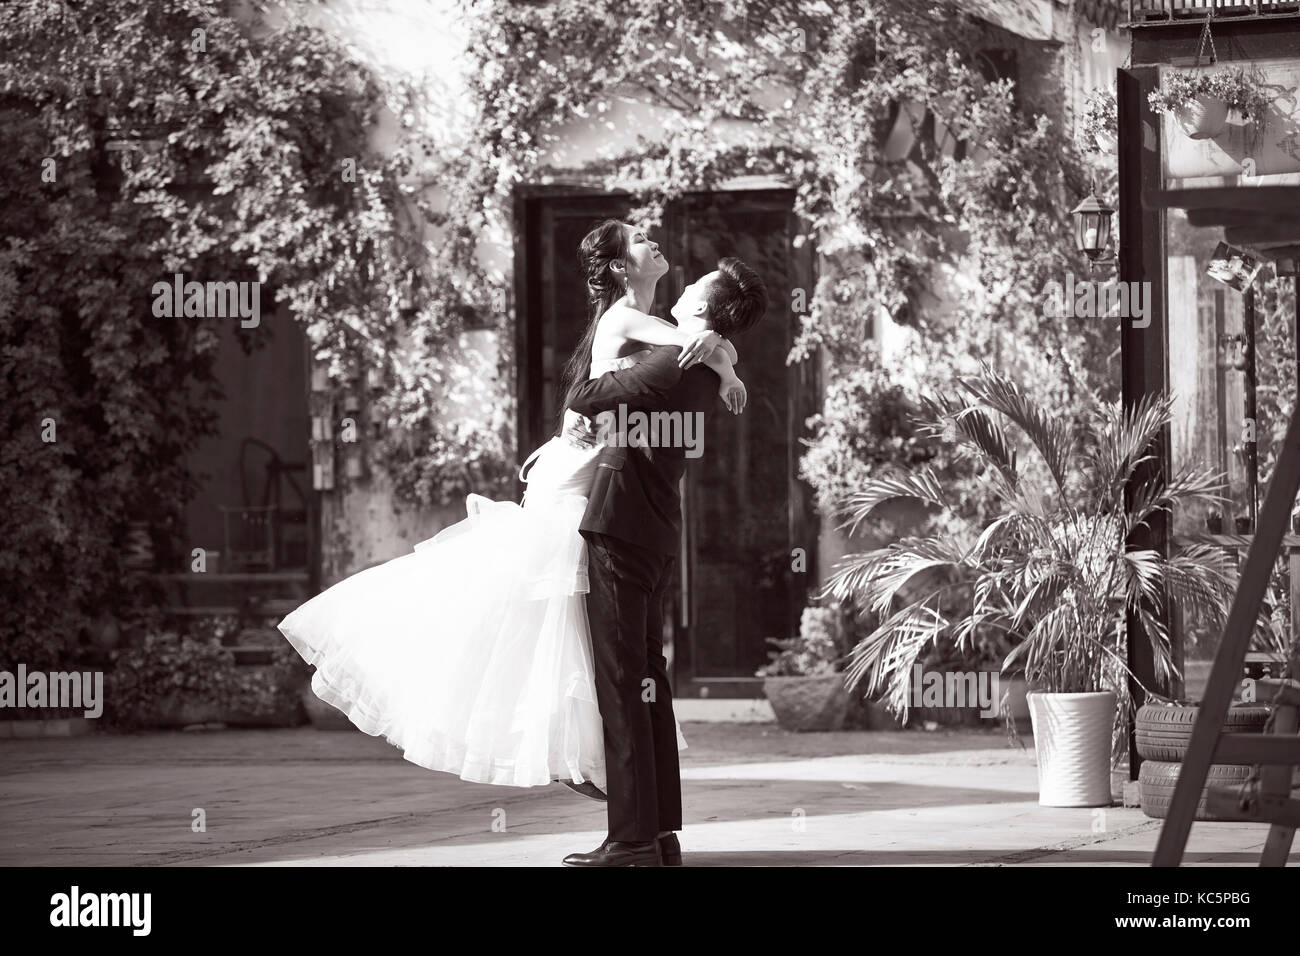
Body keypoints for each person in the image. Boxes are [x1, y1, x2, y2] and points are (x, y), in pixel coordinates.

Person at [275, 220, 758, 830]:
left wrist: (725, 356)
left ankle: (583, 763)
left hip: (590, 478)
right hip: (574, 481)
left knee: (568, 629)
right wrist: (725, 354)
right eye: (638, 240)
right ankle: (583, 764)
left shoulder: (651, 318)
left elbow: (697, 348)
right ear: (616, 268)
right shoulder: (623, 318)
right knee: (553, 618)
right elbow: (694, 348)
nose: (653, 242)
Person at [559, 250, 768, 867]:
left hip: (620, 528)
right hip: (651, 532)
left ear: (702, 306)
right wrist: (724, 360)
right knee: (648, 679)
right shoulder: (701, 365)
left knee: (623, 685)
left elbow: (583, 394)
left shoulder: (668, 363)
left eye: (698, 282)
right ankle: (660, 833)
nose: (687, 281)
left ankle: (629, 840)